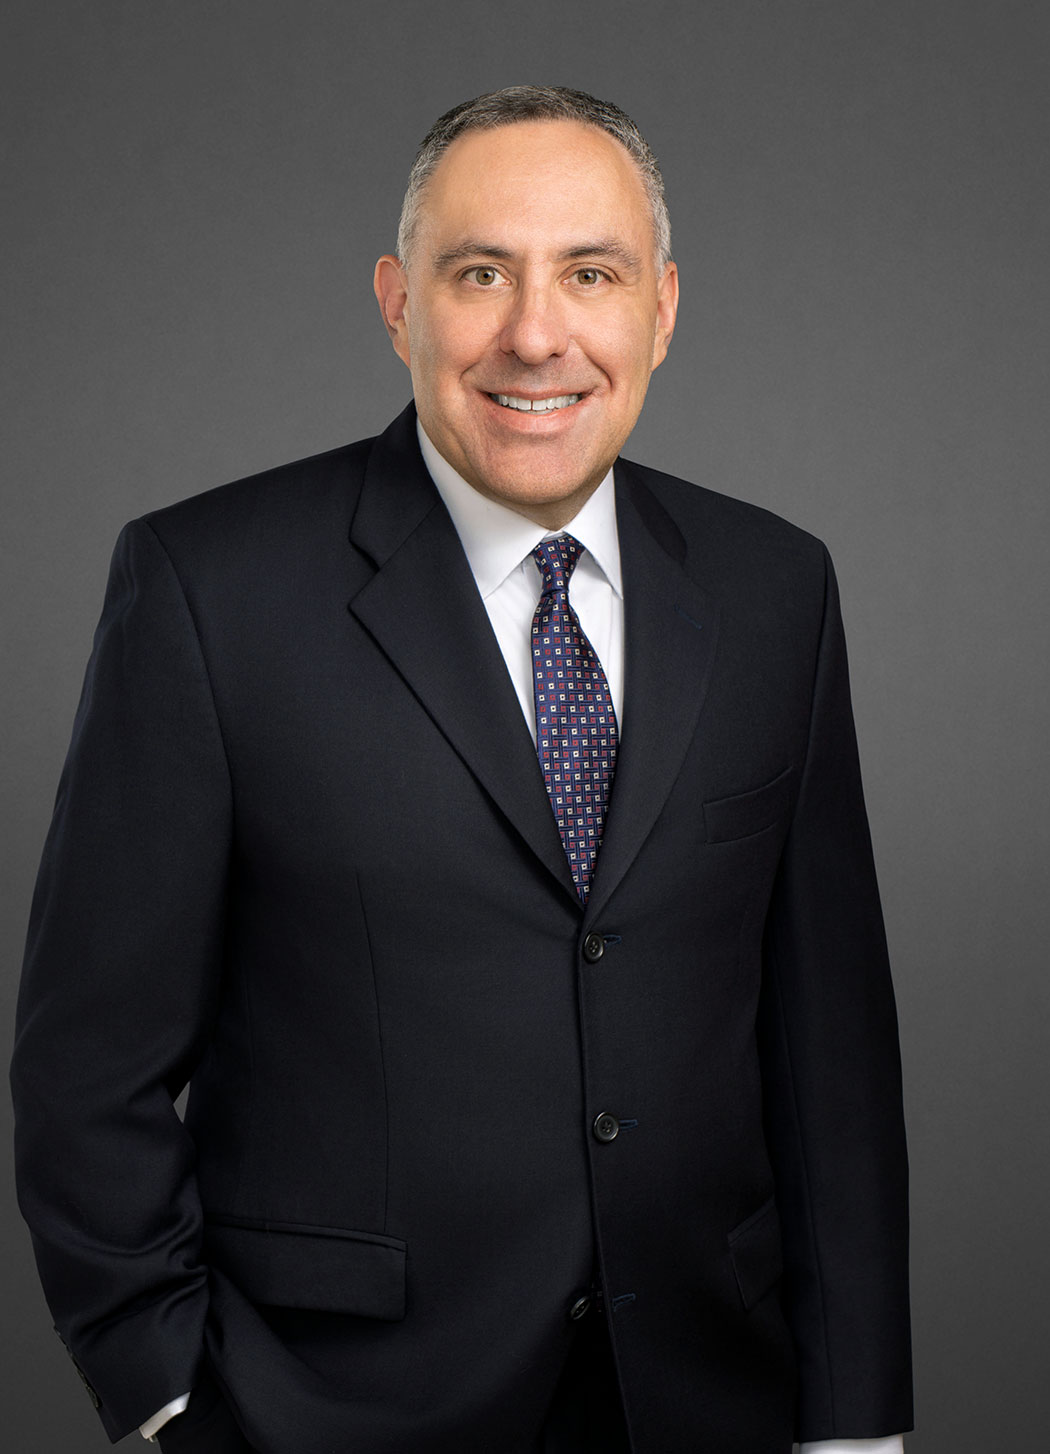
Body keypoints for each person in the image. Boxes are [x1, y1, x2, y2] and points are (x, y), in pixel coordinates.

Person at [11, 86, 912, 1454]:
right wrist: (170, 1397)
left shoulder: (774, 587)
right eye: (480, 272)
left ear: (662, 309)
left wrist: (853, 1421)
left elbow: (828, 1054)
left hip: (707, 1397)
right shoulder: (207, 589)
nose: (536, 334)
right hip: (330, 1412)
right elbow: (88, 1066)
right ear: (398, 303)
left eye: (590, 274)